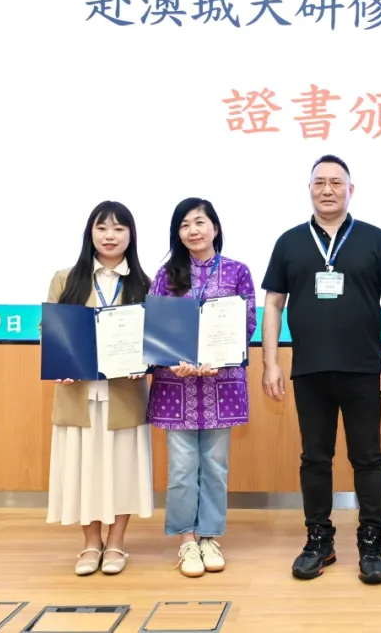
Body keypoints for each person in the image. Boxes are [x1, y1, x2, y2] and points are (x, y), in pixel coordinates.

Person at [260, 154, 381, 585]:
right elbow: (273, 304)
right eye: (319, 182)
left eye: (336, 182)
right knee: (314, 458)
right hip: (309, 370)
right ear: (309, 189)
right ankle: (318, 541)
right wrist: (270, 362)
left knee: (368, 458)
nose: (327, 189)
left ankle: (371, 543)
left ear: (350, 190)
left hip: (364, 369)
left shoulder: (375, 239)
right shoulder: (289, 242)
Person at [147, 198, 257, 578]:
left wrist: (220, 357)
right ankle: (186, 539)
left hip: (221, 384)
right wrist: (170, 360)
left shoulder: (238, 272)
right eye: (184, 225)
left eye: (199, 222)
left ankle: (209, 536)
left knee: (215, 466)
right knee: (181, 469)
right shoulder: (166, 275)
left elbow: (246, 323)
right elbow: (156, 327)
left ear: (215, 228)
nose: (193, 230)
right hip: (175, 385)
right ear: (177, 234)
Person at [44, 200, 155, 576]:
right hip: (78, 395)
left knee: (122, 471)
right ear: (90, 233)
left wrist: (145, 362)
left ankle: (117, 542)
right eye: (102, 227)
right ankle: (91, 543)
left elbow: (153, 339)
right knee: (83, 471)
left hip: (123, 396)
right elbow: (49, 329)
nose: (110, 235)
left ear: (130, 235)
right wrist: (59, 361)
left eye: (119, 228)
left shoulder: (144, 283)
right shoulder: (65, 279)